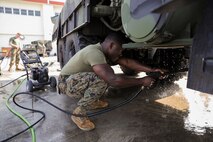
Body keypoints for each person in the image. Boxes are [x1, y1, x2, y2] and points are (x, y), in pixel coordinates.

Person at [58, 33, 164, 131]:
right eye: (120, 50)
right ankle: (78, 114)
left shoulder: (105, 53)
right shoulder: (94, 52)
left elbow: (127, 62)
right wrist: (142, 81)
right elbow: (114, 81)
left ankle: (91, 101)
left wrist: (152, 70)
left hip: (75, 81)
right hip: (66, 83)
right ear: (111, 46)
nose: (121, 53)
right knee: (104, 79)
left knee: (104, 76)